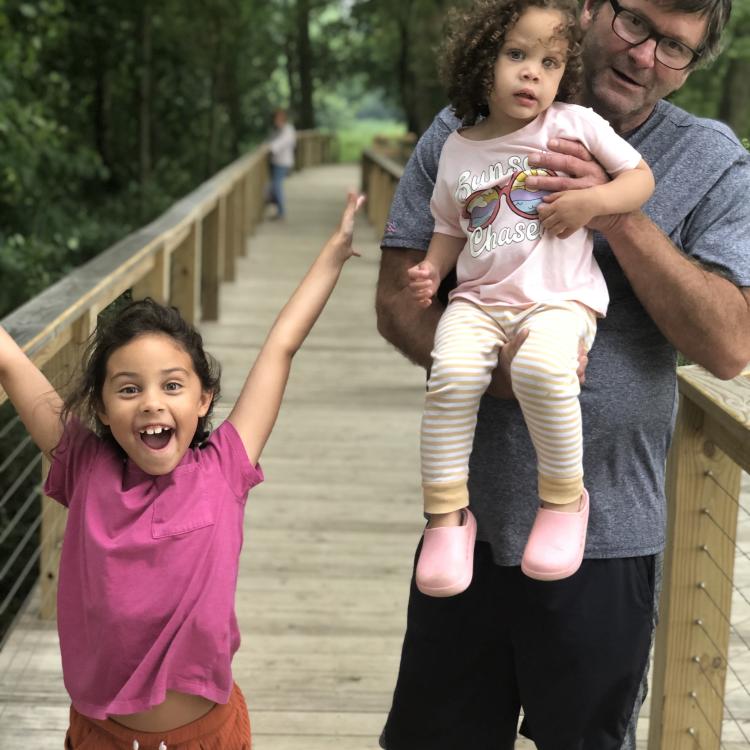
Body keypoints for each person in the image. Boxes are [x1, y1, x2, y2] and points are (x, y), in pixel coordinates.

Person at [375, 0, 749, 747]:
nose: (645, 56)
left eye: (675, 48)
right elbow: (398, 301)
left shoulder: (712, 160)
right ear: (589, 10)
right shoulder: (463, 128)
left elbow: (730, 344)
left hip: (609, 534)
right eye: (636, 24)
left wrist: (612, 213)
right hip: (467, 526)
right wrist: (509, 372)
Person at [0, 192, 365, 749]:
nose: (151, 402)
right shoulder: (86, 467)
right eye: (128, 389)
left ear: (203, 399)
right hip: (101, 737)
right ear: (99, 408)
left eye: (172, 385)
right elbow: (10, 361)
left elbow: (282, 346)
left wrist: (334, 254)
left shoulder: (223, 467)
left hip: (207, 738)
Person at [408, 0, 654, 598]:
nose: (530, 74)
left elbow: (639, 179)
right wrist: (431, 268)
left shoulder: (572, 125)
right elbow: (449, 226)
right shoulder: (458, 147)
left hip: (558, 300)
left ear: (563, 75)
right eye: (516, 55)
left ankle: (564, 501)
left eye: (548, 63)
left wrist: (590, 204)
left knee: (546, 371)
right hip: (478, 300)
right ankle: (446, 517)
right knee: (452, 376)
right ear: (482, 60)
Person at [267, 108, 297, 220]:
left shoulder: (288, 130)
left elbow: (281, 143)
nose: (275, 120)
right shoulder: (279, 129)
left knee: (277, 186)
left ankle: (281, 212)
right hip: (277, 162)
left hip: (282, 163)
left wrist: (270, 147)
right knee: (275, 186)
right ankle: (279, 210)